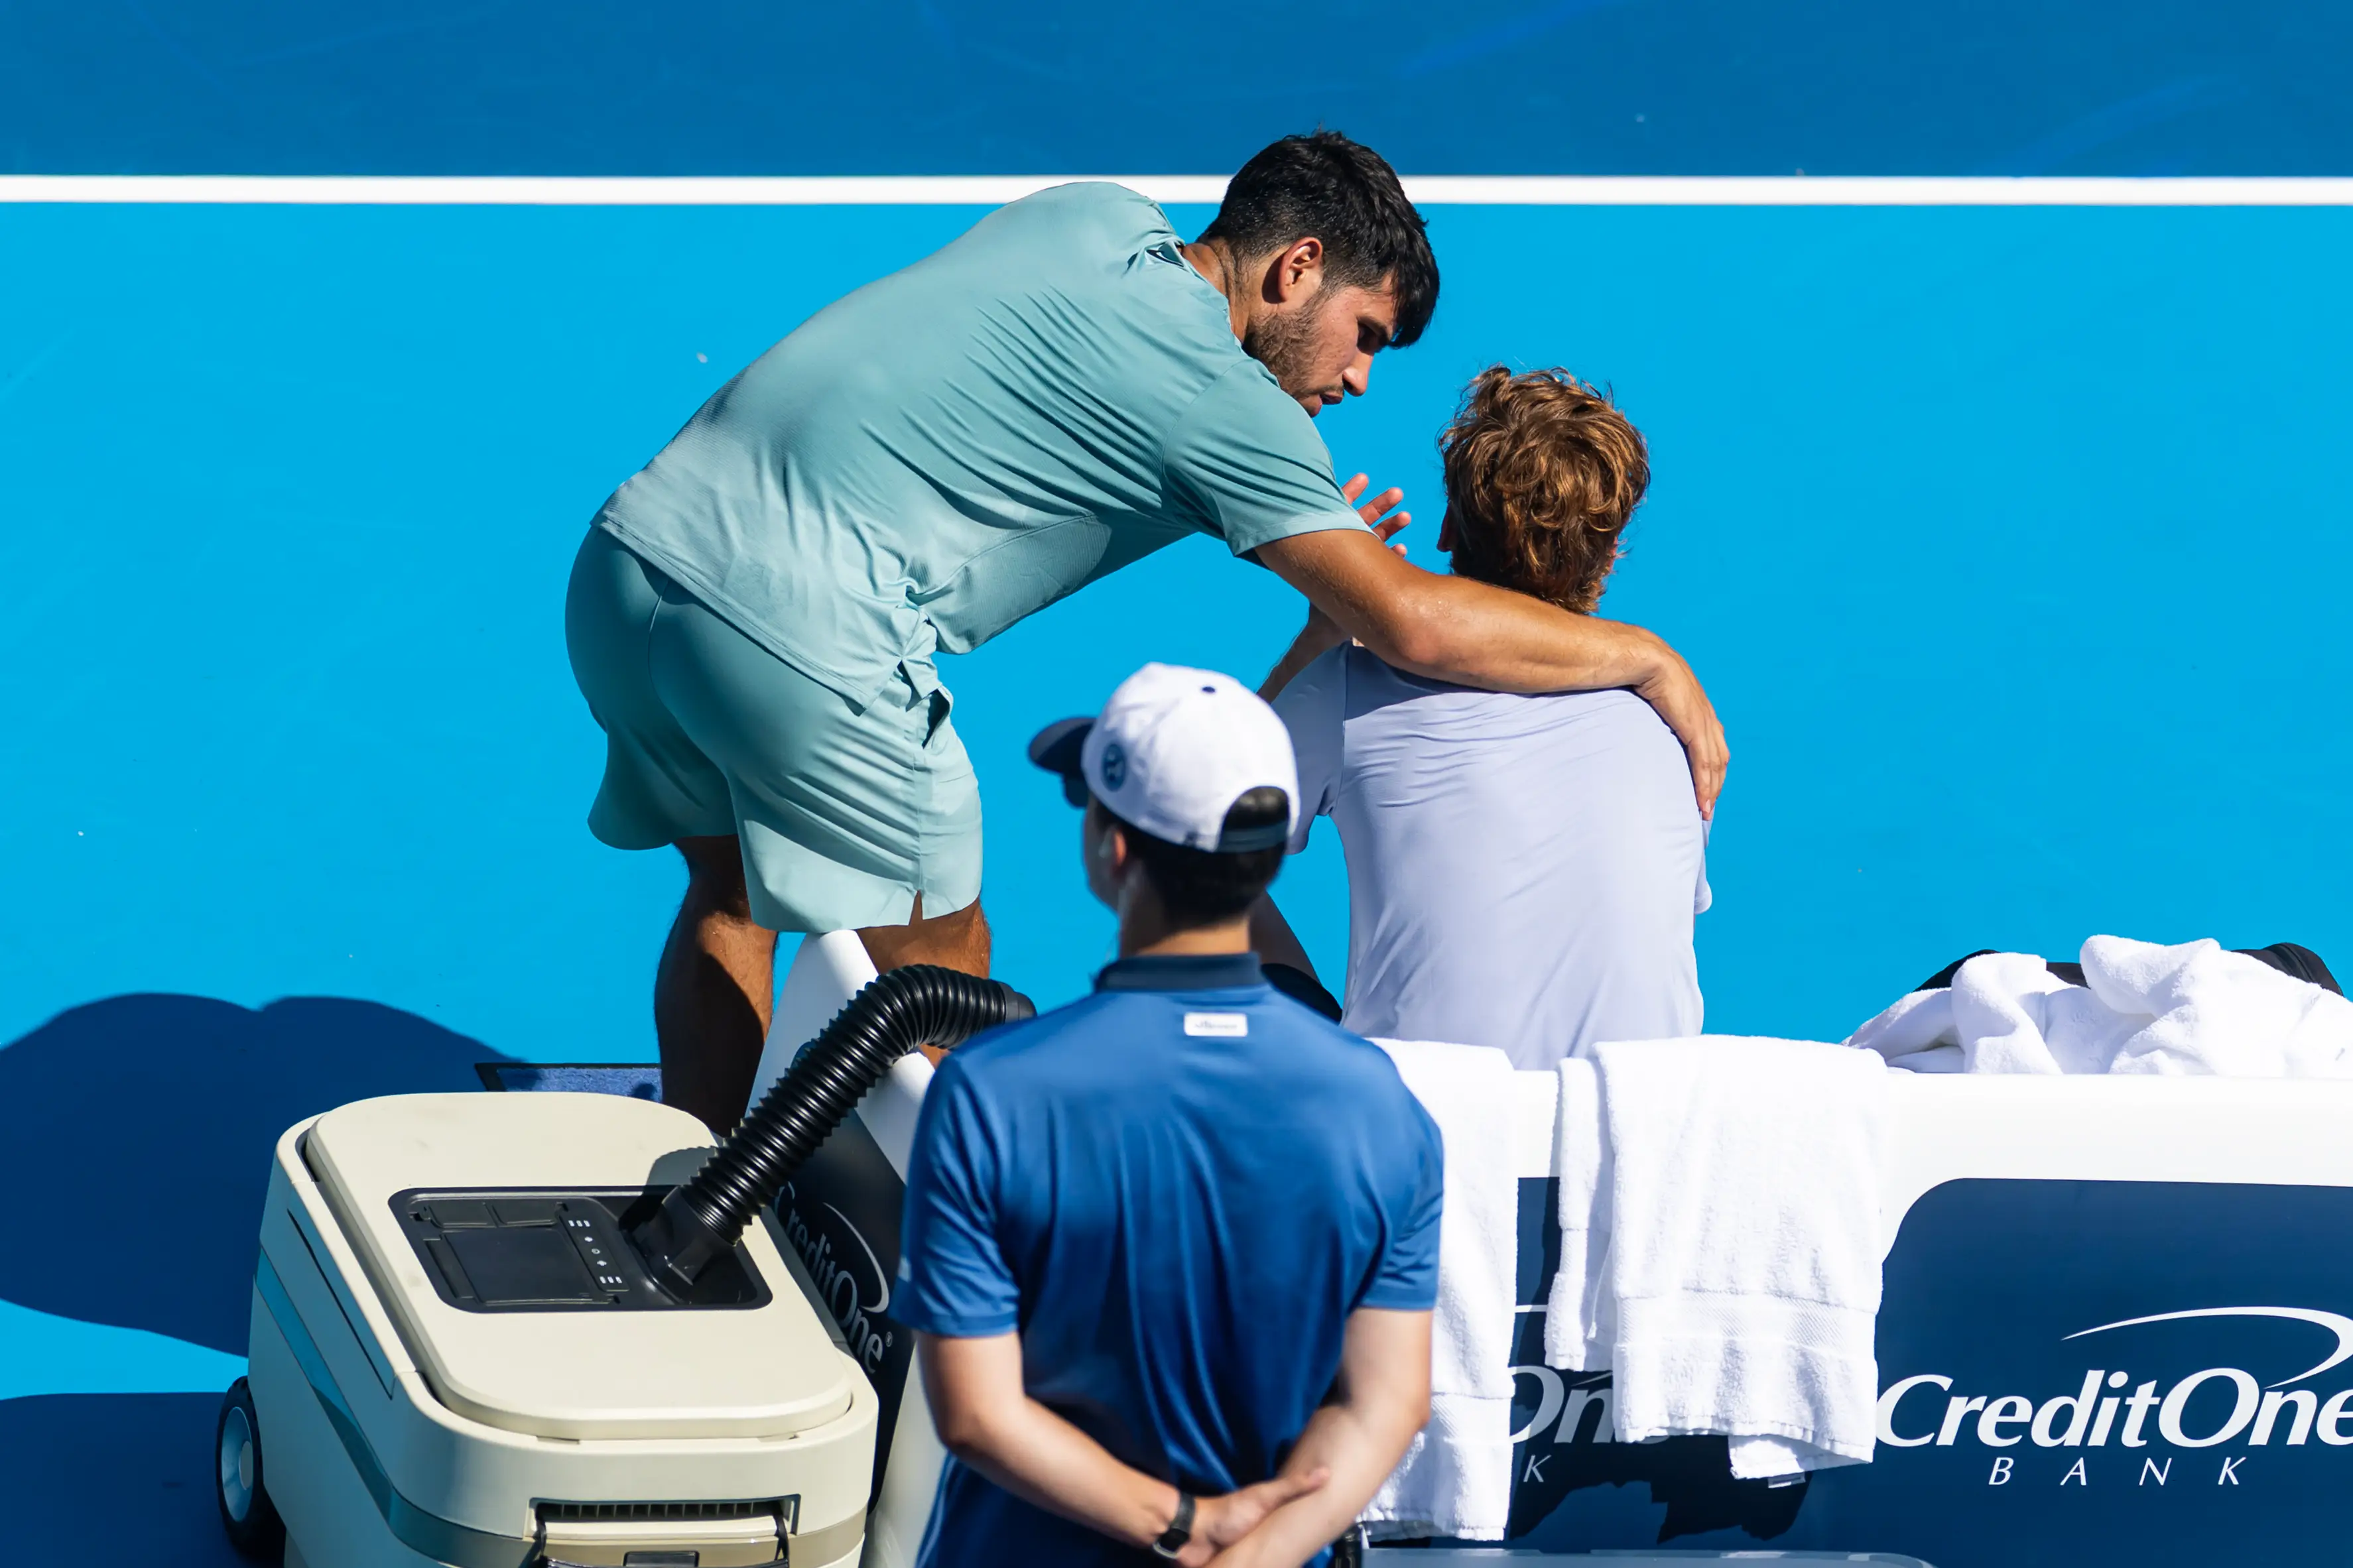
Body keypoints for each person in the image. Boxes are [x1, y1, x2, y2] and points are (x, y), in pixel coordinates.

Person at [566, 129, 1727, 1132]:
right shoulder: (1224, 409)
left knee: (730, 891)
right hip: (798, 645)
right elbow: (1412, 622)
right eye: (1361, 334)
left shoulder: (1090, 216)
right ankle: (965, 1297)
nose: (1361, 379)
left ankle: (709, 1189)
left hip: (631, 564)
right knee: (940, 973)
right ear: (1297, 268)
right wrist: (1649, 656)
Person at [894, 664, 1442, 1568]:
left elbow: (977, 1411)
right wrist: (1249, 1554)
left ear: (1113, 850)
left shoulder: (990, 1092)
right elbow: (1386, 1404)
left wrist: (1182, 1523)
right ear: (1266, 861)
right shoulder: (1381, 1104)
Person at [1253, 368, 1710, 1068]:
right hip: (1638, 1135)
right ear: (1610, 554)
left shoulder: (1345, 690)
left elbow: (1186, 807)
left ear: (1445, 529)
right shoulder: (1674, 726)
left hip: (1415, 1130)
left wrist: (1323, 632)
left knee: (1185, 866)